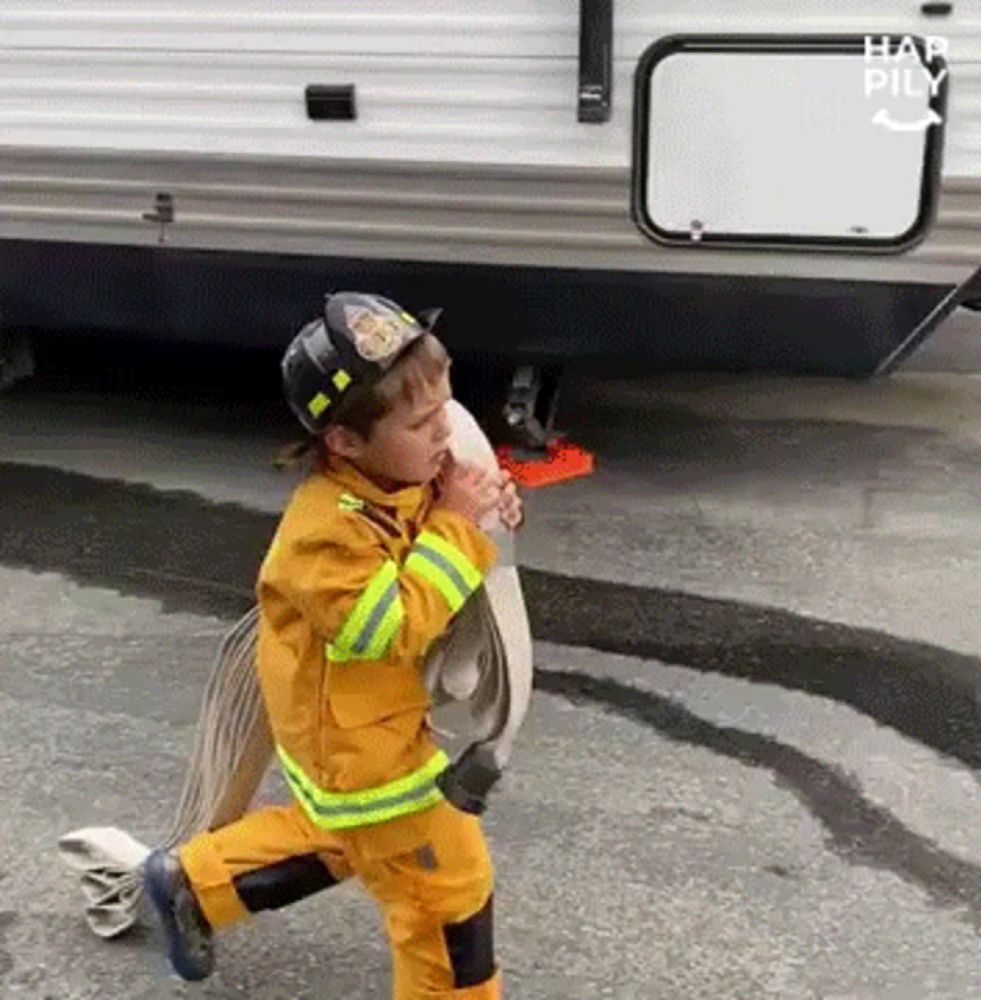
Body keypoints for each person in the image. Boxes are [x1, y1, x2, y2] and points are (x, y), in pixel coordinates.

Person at [143, 291, 522, 999]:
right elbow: (388, 627)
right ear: (344, 443)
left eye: (445, 409)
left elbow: (436, 524)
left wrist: (483, 505)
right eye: (421, 423)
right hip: (367, 755)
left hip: (375, 734)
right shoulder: (324, 535)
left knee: (344, 841)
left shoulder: (400, 475)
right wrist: (457, 530)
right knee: (445, 896)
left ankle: (195, 885)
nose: (443, 432)